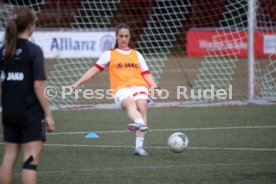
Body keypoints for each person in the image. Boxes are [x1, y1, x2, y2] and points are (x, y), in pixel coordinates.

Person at [71, 24, 160, 156]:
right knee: (130, 104)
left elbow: (146, 73)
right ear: (116, 37)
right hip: (121, 88)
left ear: (129, 37)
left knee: (142, 105)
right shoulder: (109, 54)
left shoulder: (137, 54)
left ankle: (139, 147)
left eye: (126, 36)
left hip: (139, 85)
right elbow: (94, 70)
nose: (123, 39)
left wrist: (154, 86)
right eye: (121, 36)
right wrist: (77, 83)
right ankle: (140, 123)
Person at [0, 7, 55, 184]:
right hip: (30, 113)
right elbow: (38, 85)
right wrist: (48, 114)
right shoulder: (34, 50)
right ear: (31, 26)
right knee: (30, 160)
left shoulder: (3, 50)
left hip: (9, 112)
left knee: (8, 159)